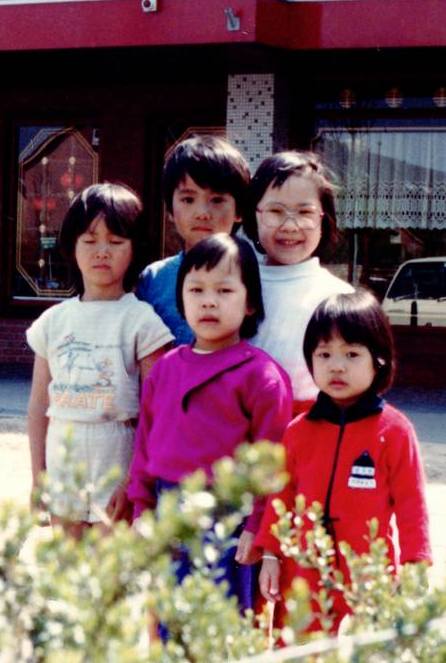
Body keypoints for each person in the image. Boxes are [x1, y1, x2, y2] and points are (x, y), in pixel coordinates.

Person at [127, 233, 292, 611]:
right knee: (173, 622)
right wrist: (142, 509)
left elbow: (273, 467)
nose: (209, 300)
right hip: (169, 511)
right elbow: (145, 447)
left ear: (250, 302)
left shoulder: (261, 376)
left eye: (224, 290)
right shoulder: (165, 369)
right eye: (196, 289)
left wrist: (257, 528)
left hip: (230, 520)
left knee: (224, 628)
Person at [255, 290, 431, 634]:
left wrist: (415, 565)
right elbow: (281, 499)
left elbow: (412, 504)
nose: (336, 366)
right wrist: (271, 556)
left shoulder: (394, 431)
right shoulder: (298, 431)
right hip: (302, 574)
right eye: (324, 354)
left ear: (378, 360)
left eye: (351, 353)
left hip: (368, 574)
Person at [26, 182, 173, 538]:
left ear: (134, 248)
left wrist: (133, 481)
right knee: (69, 577)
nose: (102, 252)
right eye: (90, 241)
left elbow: (156, 410)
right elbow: (38, 404)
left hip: (116, 456)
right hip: (64, 458)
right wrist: (38, 476)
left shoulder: (142, 321)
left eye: (116, 242)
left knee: (109, 578)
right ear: (72, 247)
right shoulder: (54, 321)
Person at [243, 151, 353, 416]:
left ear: (323, 220)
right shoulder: (236, 283)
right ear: (254, 215)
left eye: (304, 212)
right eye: (276, 211)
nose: (290, 226)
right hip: (237, 429)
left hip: (312, 429)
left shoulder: (338, 296)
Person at [135, 134, 251, 346]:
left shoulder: (255, 276)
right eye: (188, 199)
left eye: (216, 200)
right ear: (170, 209)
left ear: (239, 210)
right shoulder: (153, 279)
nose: (202, 213)